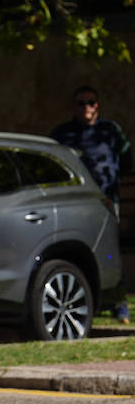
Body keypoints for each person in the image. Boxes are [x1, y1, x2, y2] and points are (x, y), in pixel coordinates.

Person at [50, 85, 132, 322]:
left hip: (105, 200)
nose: (87, 107)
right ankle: (79, 302)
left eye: (91, 102)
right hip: (75, 203)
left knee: (109, 252)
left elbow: (126, 160)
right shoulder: (62, 135)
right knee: (78, 249)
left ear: (98, 105)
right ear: (73, 107)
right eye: (81, 103)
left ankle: (118, 302)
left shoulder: (110, 131)